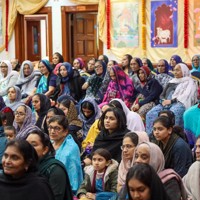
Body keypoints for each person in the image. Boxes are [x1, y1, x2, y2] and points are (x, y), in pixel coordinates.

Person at [146, 63, 198, 134]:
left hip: (179, 103)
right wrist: (162, 101)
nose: (175, 72)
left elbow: (186, 96)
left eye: (178, 70)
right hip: (166, 103)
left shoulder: (190, 82)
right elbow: (162, 94)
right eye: (174, 70)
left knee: (173, 113)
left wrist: (171, 101)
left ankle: (173, 135)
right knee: (151, 113)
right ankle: (152, 136)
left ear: (184, 71)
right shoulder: (171, 81)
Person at [26, 129, 73, 200]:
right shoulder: (25, 166)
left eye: (33, 145)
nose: (28, 148)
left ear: (45, 150)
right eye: (26, 144)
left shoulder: (55, 169)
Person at [48, 115, 83, 194]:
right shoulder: (49, 143)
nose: (52, 131)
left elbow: (73, 178)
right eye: (50, 127)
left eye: (57, 128)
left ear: (65, 132)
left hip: (65, 189)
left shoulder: (71, 149)